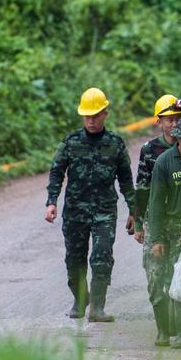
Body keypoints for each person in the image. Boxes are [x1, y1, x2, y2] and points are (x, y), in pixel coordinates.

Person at [45, 88, 135, 322]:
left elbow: (126, 179)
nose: (91, 120)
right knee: (75, 258)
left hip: (104, 211)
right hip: (76, 211)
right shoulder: (71, 142)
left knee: (102, 257)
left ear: (105, 114)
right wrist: (51, 202)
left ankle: (97, 307)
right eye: (87, 116)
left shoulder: (115, 144)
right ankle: (80, 299)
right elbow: (56, 172)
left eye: (95, 115)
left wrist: (135, 210)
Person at [145, 117, 181, 348]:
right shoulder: (165, 162)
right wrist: (157, 238)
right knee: (159, 280)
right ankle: (163, 330)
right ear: (177, 138)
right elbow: (156, 202)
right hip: (169, 229)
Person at [134, 95, 181, 243]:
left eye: (178, 119)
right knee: (155, 265)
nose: (175, 124)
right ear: (159, 122)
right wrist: (138, 223)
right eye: (170, 120)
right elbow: (143, 186)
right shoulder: (149, 149)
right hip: (156, 218)